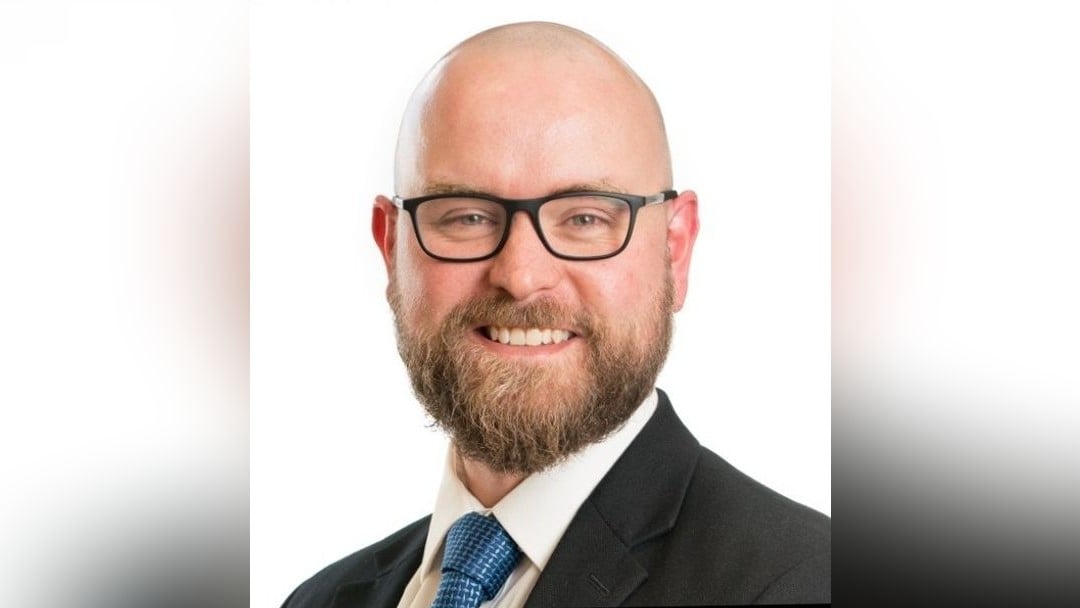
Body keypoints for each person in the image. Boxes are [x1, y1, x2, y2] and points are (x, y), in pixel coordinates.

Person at [282, 21, 830, 607]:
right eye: (467, 216)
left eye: (585, 218)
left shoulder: (808, 585)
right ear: (391, 248)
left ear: (675, 250)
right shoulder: (320, 600)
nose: (521, 276)